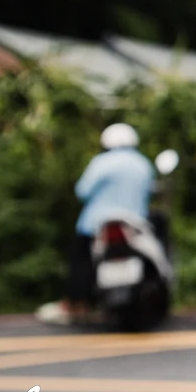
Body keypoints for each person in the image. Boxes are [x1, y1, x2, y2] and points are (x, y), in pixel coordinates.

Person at [38, 123, 154, 325]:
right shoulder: (143, 164)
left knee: (81, 262)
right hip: (135, 225)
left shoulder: (102, 162)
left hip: (96, 224)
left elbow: (82, 191)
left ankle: (78, 305)